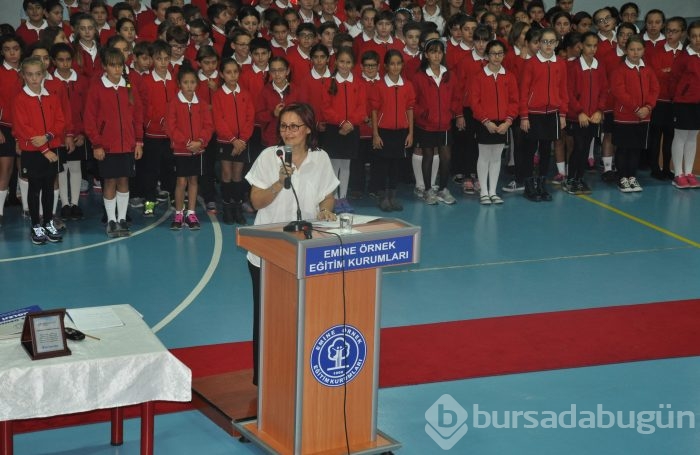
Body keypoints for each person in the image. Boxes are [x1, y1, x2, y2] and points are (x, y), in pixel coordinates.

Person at [245, 102, 339, 386]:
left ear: (308, 129)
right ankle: (265, 379)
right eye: (284, 126)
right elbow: (255, 201)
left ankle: (299, 374)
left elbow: (327, 194)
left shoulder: (320, 158)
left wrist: (325, 209)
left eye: (294, 126)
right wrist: (277, 183)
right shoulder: (267, 157)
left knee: (303, 316)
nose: (288, 132)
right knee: (269, 319)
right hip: (268, 251)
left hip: (305, 250)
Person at [83, 47, 144, 237]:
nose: (117, 69)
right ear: (104, 67)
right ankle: (111, 220)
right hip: (106, 147)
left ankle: (122, 219)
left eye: (120, 66)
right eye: (113, 65)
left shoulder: (129, 87)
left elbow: (137, 115)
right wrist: (97, 144)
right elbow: (89, 119)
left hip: (127, 145)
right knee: (109, 182)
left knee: (124, 181)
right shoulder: (97, 89)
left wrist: (139, 141)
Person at [12, 56, 65, 244]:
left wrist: (48, 137)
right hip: (34, 152)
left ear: (43, 74)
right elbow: (22, 128)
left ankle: (48, 222)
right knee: (34, 188)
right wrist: (44, 149)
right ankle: (36, 225)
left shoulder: (52, 96)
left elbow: (60, 121)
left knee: (49, 188)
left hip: (51, 147)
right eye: (29, 75)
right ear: (23, 76)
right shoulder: (20, 99)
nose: (34, 79)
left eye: (37, 74)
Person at [518, 27, 568, 202]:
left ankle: (542, 184)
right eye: (544, 41)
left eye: (551, 41)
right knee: (530, 149)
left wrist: (562, 114)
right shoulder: (530, 63)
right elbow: (523, 91)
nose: (548, 45)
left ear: (556, 43)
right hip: (533, 113)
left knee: (547, 150)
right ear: (539, 44)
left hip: (552, 113)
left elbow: (563, 90)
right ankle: (529, 185)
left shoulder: (561, 63)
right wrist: (524, 116)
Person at [412, 37, 461, 205]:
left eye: (440, 52)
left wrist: (453, 112)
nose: (437, 56)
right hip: (426, 125)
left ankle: (443, 189)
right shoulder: (419, 77)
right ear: (426, 55)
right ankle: (427, 190)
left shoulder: (449, 75)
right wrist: (423, 113)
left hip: (445, 124)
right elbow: (413, 101)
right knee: (428, 156)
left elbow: (456, 97)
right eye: (433, 52)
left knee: (446, 157)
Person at [166, 63, 213, 230]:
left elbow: (208, 126)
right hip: (181, 149)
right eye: (185, 82)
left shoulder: (202, 103)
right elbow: (171, 127)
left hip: (198, 149)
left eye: (192, 82)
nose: (189, 86)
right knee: (181, 181)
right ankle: (179, 213)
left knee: (194, 180)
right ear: (179, 84)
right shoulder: (174, 103)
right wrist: (186, 143)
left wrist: (200, 141)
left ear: (197, 84)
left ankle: (191, 213)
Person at [470, 39, 518, 205]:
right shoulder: (479, 77)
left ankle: (493, 191)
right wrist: (486, 121)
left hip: (503, 122)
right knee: (484, 156)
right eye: (493, 53)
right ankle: (484, 191)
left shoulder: (509, 76)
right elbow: (474, 102)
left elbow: (514, 101)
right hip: (485, 123)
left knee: (497, 156)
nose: (496, 57)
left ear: (504, 55)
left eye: (499, 53)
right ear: (487, 55)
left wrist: (508, 122)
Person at [610, 35, 659, 193]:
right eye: (632, 49)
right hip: (625, 117)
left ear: (644, 50)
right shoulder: (619, 70)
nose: (635, 52)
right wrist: (637, 108)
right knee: (624, 148)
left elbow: (655, 89)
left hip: (644, 117)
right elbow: (619, 92)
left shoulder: (648, 69)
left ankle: (632, 176)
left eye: (638, 49)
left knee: (636, 148)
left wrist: (648, 107)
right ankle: (622, 177)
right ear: (626, 50)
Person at [321, 46, 366, 213]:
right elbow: (326, 108)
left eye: (348, 62)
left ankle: (343, 198)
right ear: (335, 62)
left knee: (346, 165)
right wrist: (341, 123)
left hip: (352, 129)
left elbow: (362, 108)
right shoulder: (328, 82)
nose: (344, 65)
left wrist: (350, 123)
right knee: (333, 165)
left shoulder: (359, 83)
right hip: (334, 130)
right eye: (341, 61)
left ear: (353, 64)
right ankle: (331, 198)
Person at [370, 49, 415, 211]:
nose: (395, 67)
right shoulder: (379, 86)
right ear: (386, 66)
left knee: (396, 164)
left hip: (401, 132)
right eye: (392, 64)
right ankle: (382, 196)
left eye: (398, 64)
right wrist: (375, 134)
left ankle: (392, 196)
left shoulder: (407, 85)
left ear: (402, 65)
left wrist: (410, 132)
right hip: (384, 131)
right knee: (383, 165)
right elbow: (374, 110)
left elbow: (410, 109)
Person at [212, 58, 255, 224]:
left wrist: (242, 140)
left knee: (238, 175)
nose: (232, 75)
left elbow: (249, 118)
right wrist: (232, 140)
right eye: (228, 72)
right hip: (225, 142)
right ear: (222, 74)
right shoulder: (218, 96)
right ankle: (227, 209)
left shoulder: (245, 94)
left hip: (242, 142)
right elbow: (218, 119)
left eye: (235, 72)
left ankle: (237, 208)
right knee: (226, 174)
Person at [564, 31, 607, 195]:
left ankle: (580, 178)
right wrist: (580, 111)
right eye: (588, 45)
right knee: (578, 147)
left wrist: (599, 110)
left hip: (593, 117)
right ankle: (570, 179)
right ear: (581, 46)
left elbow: (604, 90)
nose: (592, 49)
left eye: (595, 46)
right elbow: (569, 92)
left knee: (586, 146)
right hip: (577, 117)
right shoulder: (573, 66)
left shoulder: (599, 66)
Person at [668, 20, 700, 189]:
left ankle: (689, 172)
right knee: (680, 136)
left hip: (698, 104)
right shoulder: (683, 57)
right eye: (694, 36)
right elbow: (673, 80)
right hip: (683, 103)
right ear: (689, 37)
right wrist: (678, 97)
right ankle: (678, 173)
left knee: (692, 137)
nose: (697, 39)